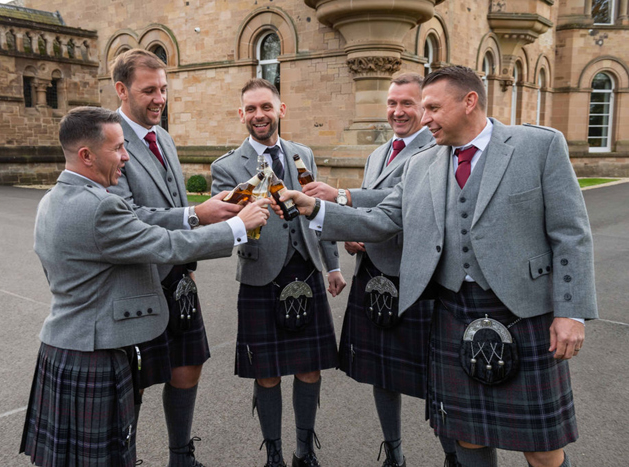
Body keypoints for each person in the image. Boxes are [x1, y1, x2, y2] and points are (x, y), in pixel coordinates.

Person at [281, 66, 597, 467]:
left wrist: (570, 311)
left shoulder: (538, 146)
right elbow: (382, 220)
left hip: (525, 313)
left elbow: (570, 233)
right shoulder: (422, 164)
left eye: (432, 107)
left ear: (469, 102)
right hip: (452, 310)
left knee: (541, 447)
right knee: (466, 437)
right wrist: (316, 209)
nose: (423, 117)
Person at [20, 106, 269, 467]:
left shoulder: (52, 199)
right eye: (118, 148)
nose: (125, 157)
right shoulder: (100, 207)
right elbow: (166, 245)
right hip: (96, 351)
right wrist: (238, 227)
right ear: (87, 156)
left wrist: (200, 213)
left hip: (65, 345)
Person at [301, 72, 458, 467]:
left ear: (425, 107)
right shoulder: (376, 155)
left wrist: (343, 196)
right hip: (374, 276)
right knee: (383, 376)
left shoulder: (437, 148)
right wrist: (357, 234)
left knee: (437, 381)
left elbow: (402, 202)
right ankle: (395, 453)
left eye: (408, 103)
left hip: (415, 281)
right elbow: (378, 216)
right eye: (392, 103)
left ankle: (455, 457)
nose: (398, 111)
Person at [108, 49, 242, 467]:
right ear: (121, 89)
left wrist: (189, 267)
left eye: (163, 89)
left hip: (177, 277)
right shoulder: (108, 138)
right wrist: (196, 214)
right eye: (149, 90)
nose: (159, 98)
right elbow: (127, 216)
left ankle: (181, 456)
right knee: (137, 380)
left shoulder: (162, 135)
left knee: (188, 365)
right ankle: (123, 458)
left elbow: (176, 199)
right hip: (138, 280)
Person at [210, 78, 346, 467]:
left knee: (309, 368)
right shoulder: (226, 167)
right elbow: (229, 225)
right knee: (266, 373)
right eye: (251, 109)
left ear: (280, 110)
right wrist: (244, 209)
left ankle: (304, 450)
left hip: (306, 271)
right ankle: (273, 454)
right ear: (241, 115)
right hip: (260, 276)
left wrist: (332, 265)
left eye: (266, 107)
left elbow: (320, 216)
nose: (259, 116)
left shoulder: (303, 153)